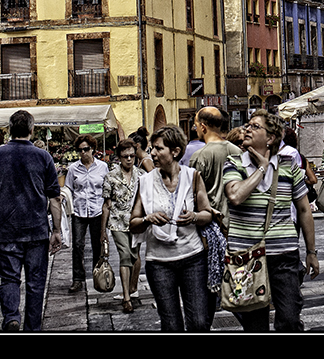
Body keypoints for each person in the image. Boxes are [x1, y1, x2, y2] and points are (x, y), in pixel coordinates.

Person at [222, 109, 318, 332]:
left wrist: (311, 252)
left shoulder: (288, 165)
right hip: (245, 256)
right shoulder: (233, 163)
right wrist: (262, 168)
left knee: (290, 318)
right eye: (247, 125)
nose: (247, 129)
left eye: (255, 126)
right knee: (255, 324)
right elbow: (236, 195)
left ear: (271, 138)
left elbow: (304, 209)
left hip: (283, 255)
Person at [0, 110, 64, 331]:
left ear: (9, 130)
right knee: (36, 284)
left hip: (5, 230)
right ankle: (32, 328)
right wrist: (56, 230)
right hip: (36, 231)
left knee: (9, 279)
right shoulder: (43, 157)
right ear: (31, 130)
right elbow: (54, 197)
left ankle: (11, 317)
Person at [130, 125, 216, 331]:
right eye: (152, 148)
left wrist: (194, 216)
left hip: (192, 258)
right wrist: (147, 219)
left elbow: (207, 213)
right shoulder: (145, 181)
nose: (152, 153)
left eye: (159, 149)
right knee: (170, 323)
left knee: (198, 321)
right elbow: (133, 223)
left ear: (175, 151)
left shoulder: (193, 176)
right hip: (159, 262)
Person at [189, 107, 241, 326]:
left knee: (207, 289)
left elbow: (191, 194)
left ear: (203, 126)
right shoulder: (237, 152)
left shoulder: (200, 156)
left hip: (209, 232)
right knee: (236, 287)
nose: (195, 128)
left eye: (195, 124)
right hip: (236, 228)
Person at [101, 138, 143, 312]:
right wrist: (103, 230)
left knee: (135, 256)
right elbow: (107, 205)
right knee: (125, 255)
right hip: (117, 222)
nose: (129, 159)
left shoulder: (140, 175)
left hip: (135, 222)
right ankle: (126, 297)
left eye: (132, 156)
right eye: (125, 156)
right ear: (119, 157)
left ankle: (133, 288)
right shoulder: (111, 176)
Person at [64, 135, 108, 293]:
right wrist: (64, 197)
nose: (83, 153)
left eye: (86, 149)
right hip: (79, 211)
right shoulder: (73, 169)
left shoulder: (102, 167)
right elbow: (69, 187)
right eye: (80, 150)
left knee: (98, 245)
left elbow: (106, 188)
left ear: (93, 149)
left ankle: (97, 276)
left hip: (97, 210)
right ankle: (77, 279)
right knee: (77, 245)